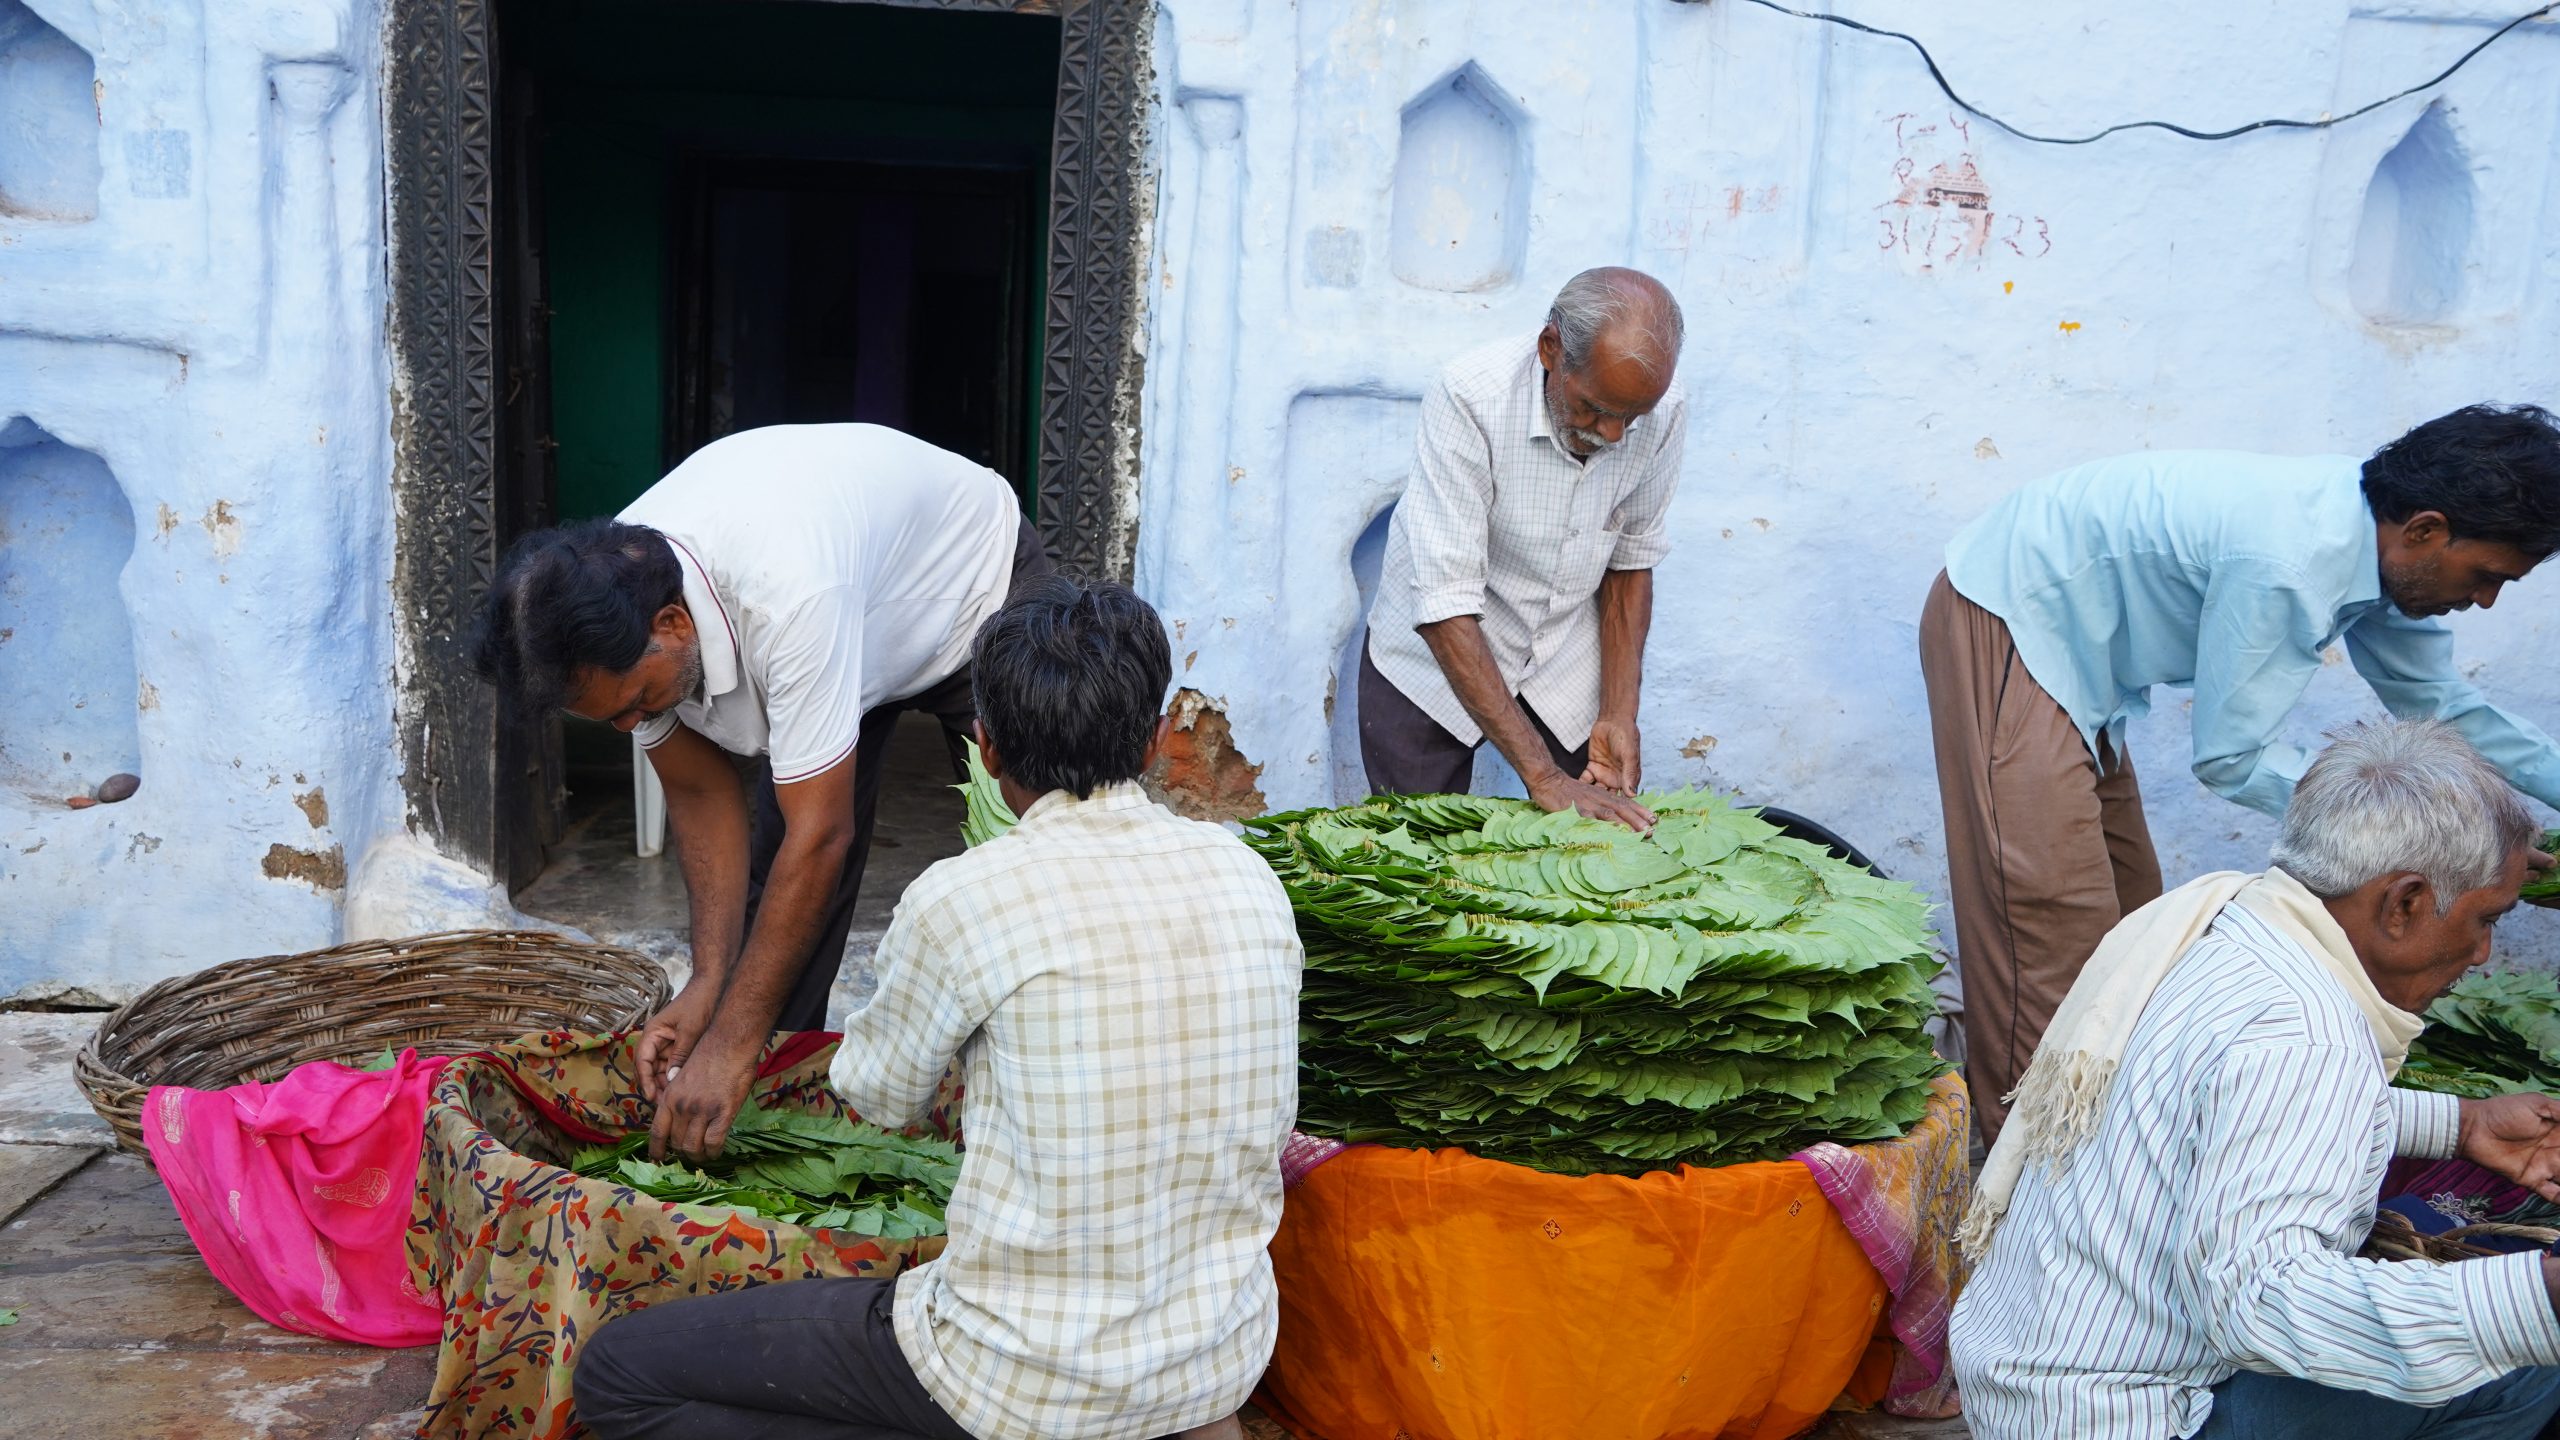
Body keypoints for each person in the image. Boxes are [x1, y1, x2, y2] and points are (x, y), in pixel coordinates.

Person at [571, 576, 1303, 1440]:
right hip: (1213, 1361)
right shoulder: (1250, 878)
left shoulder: (967, 898)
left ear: (985, 749)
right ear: (1151, 742)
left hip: (1016, 1372)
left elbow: (880, 1096)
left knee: (617, 1376)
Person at [1920, 404, 2560, 1143]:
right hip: (2013, 619)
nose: (2483, 599)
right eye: (2485, 575)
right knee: (2050, 935)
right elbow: (2234, 758)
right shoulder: (2290, 562)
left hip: (2079, 667)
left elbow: (2444, 703)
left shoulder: (2379, 550)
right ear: (2425, 529)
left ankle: (2117, 1155)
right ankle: (2023, 1191)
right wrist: (2435, 839)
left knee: (2130, 924)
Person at [1951, 720, 2560, 1439]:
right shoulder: (2306, 1032)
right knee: (2521, 1371)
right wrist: (2541, 1296)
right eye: (2485, 919)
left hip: (2025, 1382)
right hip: (2132, 1416)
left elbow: (2214, 1112)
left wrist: (2462, 1126)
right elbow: (2267, 1301)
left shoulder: (2222, 921)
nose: (2486, 953)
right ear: (2404, 903)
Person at [471, 423, 1051, 1158]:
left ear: (673, 624)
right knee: (779, 899)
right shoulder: (612, 600)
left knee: (1036, 842)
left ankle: (1035, 1101)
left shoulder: (788, 594)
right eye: (609, 718)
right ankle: (771, 1115)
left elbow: (823, 838)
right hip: (852, 609)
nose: (628, 726)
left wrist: (729, 1045)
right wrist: (708, 985)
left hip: (968, 583)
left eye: (633, 703)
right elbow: (700, 794)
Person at [1359, 265, 1687, 830]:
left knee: (1598, 846)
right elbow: (1445, 605)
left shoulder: (1661, 409)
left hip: (1563, 649)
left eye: (1630, 419)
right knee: (1415, 857)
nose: (1613, 436)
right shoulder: (1469, 397)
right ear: (1550, 349)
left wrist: (1617, 712)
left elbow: (1630, 560)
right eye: (1594, 410)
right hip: (1435, 653)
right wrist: (1542, 776)